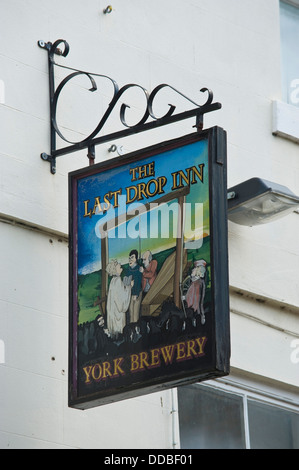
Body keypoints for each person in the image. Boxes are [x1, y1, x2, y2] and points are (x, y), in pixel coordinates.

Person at [106, 259, 133, 340]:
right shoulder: (117, 281)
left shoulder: (113, 281)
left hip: (113, 314)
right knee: (120, 337)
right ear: (115, 269)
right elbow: (122, 305)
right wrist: (129, 287)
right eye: (117, 264)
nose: (120, 265)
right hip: (118, 316)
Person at [126, 249, 143, 324]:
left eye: (132, 257)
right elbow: (125, 282)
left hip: (137, 293)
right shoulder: (128, 270)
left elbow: (138, 283)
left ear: (136, 259)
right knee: (131, 313)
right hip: (130, 293)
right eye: (129, 258)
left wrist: (136, 294)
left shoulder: (139, 269)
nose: (130, 259)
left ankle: (135, 330)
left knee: (135, 315)